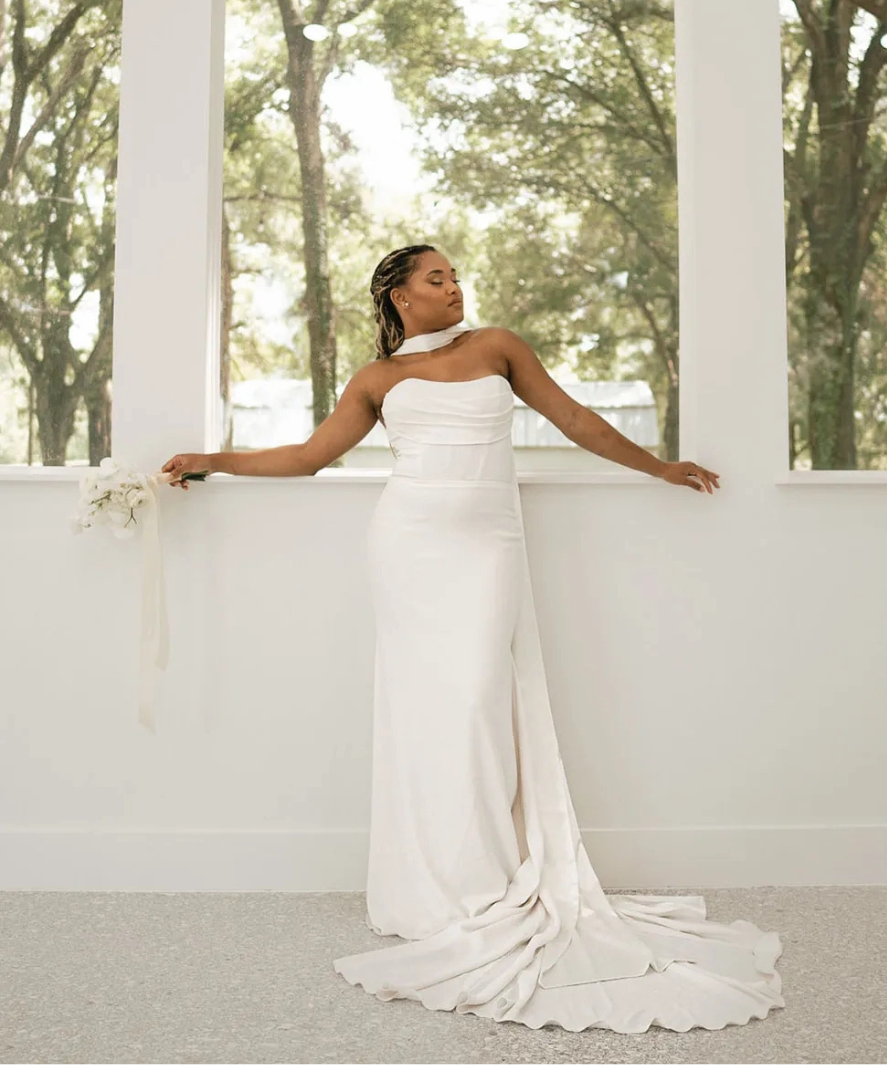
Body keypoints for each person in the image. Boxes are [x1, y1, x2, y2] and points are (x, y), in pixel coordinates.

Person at [160, 243, 784, 1034]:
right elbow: (310, 457)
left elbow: (577, 419)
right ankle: (434, 885)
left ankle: (491, 873)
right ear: (398, 298)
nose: (454, 287)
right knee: (426, 709)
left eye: (455, 276)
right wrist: (212, 461)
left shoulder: (497, 346)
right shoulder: (377, 380)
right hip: (407, 546)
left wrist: (658, 468)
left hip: (486, 546)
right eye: (437, 278)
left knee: (479, 699)